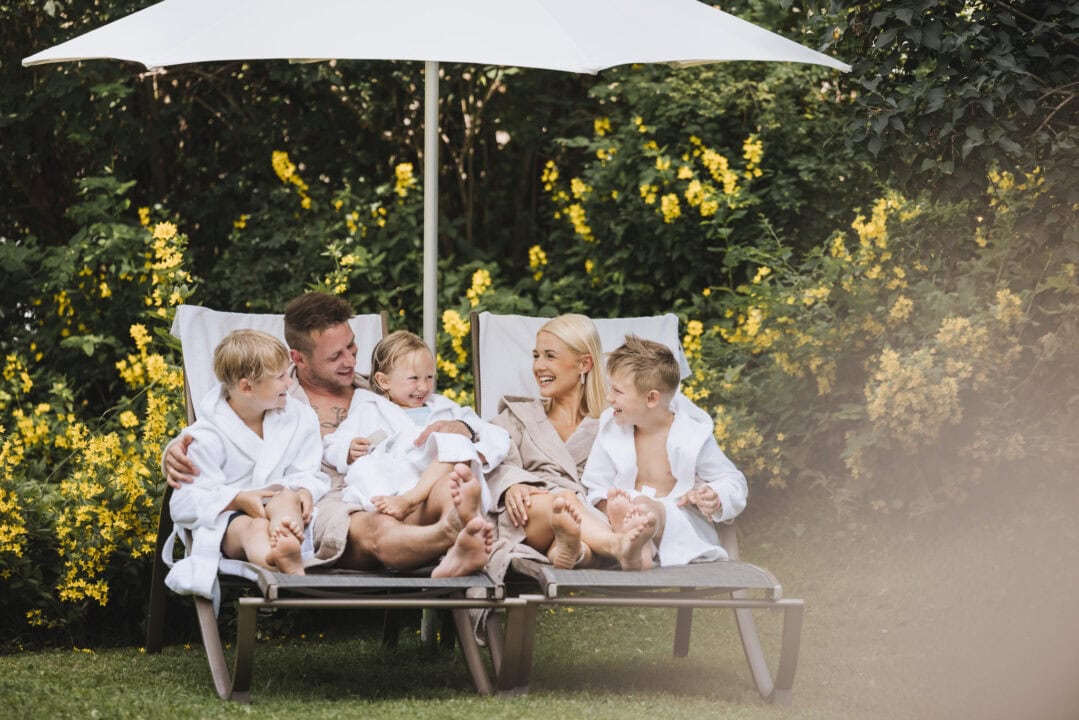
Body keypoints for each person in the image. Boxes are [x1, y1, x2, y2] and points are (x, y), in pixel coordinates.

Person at [163, 292, 492, 579]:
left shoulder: (382, 389)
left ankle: (463, 540)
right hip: (329, 503)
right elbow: (225, 419)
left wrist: (463, 428)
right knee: (378, 526)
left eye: (351, 347)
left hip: (395, 486)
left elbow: (454, 422)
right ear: (298, 358)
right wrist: (175, 449)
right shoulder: (279, 399)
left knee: (448, 485)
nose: (350, 361)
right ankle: (449, 535)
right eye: (335, 356)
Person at [485, 315, 659, 579]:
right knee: (561, 503)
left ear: (584, 364)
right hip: (530, 514)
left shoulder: (612, 423)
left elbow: (647, 455)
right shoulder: (518, 415)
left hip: (587, 521)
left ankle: (574, 551)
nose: (538, 366)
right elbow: (490, 455)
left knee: (573, 540)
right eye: (536, 356)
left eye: (550, 356)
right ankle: (616, 545)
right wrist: (512, 483)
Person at [165, 329, 330, 601]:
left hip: (279, 507)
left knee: (286, 497)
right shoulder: (206, 436)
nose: (289, 382)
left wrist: (305, 490)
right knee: (252, 529)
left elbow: (308, 472)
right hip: (230, 518)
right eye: (280, 377)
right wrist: (237, 499)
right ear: (246, 388)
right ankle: (274, 560)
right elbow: (182, 504)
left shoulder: (299, 417)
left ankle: (287, 544)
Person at [581, 334, 748, 568]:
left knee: (644, 507)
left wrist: (715, 495)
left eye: (618, 391)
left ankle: (639, 543)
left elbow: (733, 481)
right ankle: (636, 545)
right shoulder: (611, 429)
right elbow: (596, 484)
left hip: (675, 526)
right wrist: (610, 505)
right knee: (592, 508)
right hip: (616, 522)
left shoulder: (691, 436)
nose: (609, 398)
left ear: (651, 398)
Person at [323, 329, 508, 520]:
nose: (424, 387)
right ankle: (408, 506)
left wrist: (465, 433)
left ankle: (411, 500)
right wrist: (348, 450)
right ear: (384, 381)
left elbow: (495, 434)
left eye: (429, 377)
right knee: (364, 467)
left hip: (438, 482)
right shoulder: (369, 410)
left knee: (454, 443)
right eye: (414, 379)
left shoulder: (445, 408)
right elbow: (331, 445)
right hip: (396, 480)